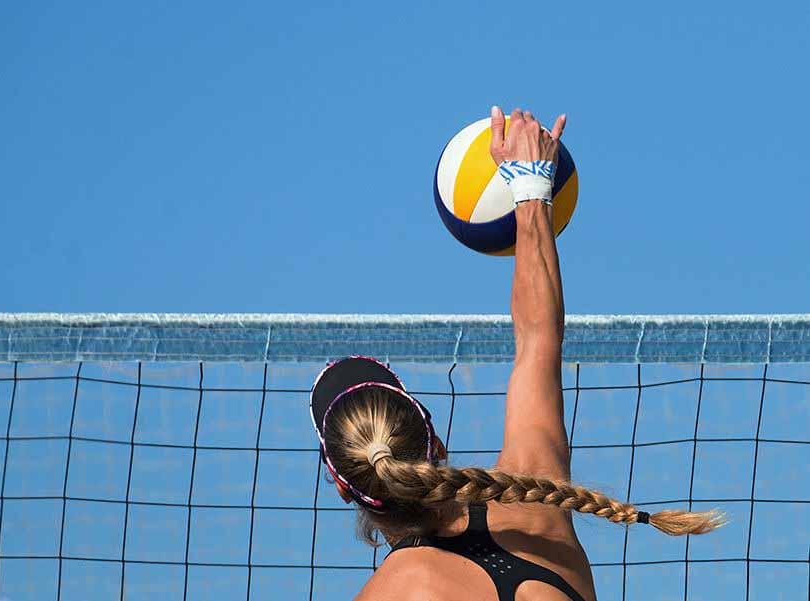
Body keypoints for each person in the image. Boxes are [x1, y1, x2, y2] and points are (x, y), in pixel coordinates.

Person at [309, 107, 724, 601]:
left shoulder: (393, 591)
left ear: (341, 486)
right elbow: (538, 337)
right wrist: (530, 188)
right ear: (434, 444)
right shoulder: (535, 495)